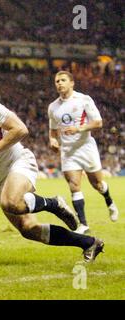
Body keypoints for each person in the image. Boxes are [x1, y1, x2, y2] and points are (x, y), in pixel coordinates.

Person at [0, 79, 104, 263]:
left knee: (10, 202)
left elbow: (21, 129)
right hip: (0, 178)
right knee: (28, 229)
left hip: (19, 160)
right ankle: (89, 243)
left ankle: (53, 204)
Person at [48, 71, 119, 234]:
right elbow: (52, 131)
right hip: (67, 151)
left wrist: (79, 128)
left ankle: (109, 202)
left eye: (63, 80)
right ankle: (83, 224)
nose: (59, 83)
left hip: (86, 147)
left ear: (72, 83)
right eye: (57, 81)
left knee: (98, 184)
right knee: (74, 185)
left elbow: (98, 122)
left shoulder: (84, 99)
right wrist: (52, 141)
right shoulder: (53, 107)